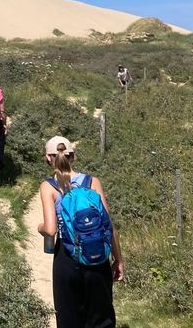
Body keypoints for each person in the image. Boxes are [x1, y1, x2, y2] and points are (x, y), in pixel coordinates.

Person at [37, 136, 124, 328]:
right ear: (73, 157)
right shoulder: (92, 182)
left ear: (48, 158)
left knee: (69, 316)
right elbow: (109, 226)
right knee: (101, 316)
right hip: (98, 255)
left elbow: (50, 230)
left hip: (66, 258)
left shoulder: (48, 187)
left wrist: (39, 227)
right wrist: (118, 260)